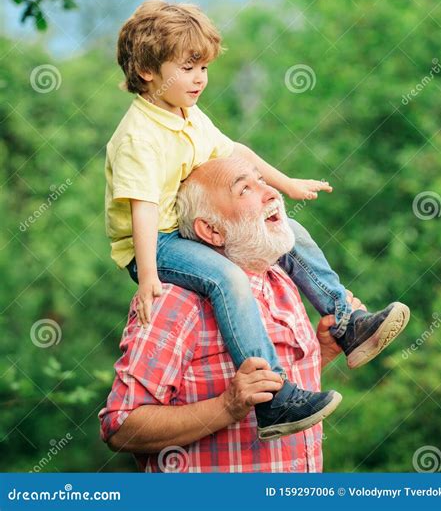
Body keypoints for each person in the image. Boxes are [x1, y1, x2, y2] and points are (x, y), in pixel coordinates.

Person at [105, 0, 410, 440]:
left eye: (204, 68)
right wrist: (149, 274)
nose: (200, 79)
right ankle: (274, 399)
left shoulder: (186, 114)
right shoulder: (139, 136)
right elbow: (143, 207)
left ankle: (346, 322)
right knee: (228, 278)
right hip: (154, 242)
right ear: (149, 72)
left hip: (182, 232)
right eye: (188, 68)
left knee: (290, 233)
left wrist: (287, 184)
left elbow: (237, 152)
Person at [99, 157, 368, 472]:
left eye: (261, 181)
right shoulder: (175, 300)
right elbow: (120, 426)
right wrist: (226, 407)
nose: (270, 193)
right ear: (211, 230)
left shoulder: (281, 282)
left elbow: (268, 392)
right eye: (245, 190)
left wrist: (321, 353)